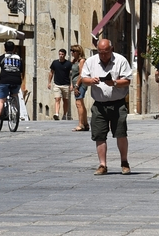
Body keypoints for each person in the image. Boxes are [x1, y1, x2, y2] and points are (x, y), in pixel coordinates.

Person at [80, 39, 132, 175]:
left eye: (106, 53)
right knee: (99, 135)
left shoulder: (121, 61)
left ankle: (124, 162)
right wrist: (91, 81)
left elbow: (127, 81)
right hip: (99, 105)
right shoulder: (91, 61)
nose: (103, 56)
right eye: (101, 53)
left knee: (120, 133)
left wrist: (114, 83)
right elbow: (84, 78)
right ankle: (102, 164)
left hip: (117, 103)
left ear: (111, 49)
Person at [0, 41, 25, 132]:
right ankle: (15, 112)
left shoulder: (2, 58)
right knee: (15, 95)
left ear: (5, 48)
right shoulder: (19, 58)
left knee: (0, 100)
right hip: (16, 81)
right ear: (14, 49)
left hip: (4, 80)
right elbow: (21, 72)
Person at [48, 48, 72, 120]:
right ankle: (56, 113)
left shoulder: (68, 64)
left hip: (66, 84)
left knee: (65, 100)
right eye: (60, 54)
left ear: (65, 55)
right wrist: (49, 82)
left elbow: (71, 74)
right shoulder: (55, 63)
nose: (61, 56)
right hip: (57, 84)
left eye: (62, 54)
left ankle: (64, 114)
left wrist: (71, 85)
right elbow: (51, 73)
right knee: (57, 99)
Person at [69, 44, 89, 131]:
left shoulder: (82, 61)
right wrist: (72, 85)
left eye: (73, 51)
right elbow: (72, 74)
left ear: (78, 52)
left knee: (79, 104)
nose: (72, 53)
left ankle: (81, 124)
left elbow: (81, 74)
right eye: (71, 51)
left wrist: (76, 85)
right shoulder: (74, 61)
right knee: (80, 103)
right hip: (75, 83)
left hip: (80, 84)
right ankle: (85, 123)